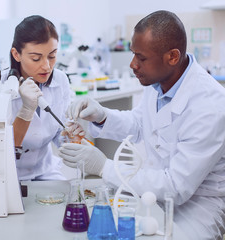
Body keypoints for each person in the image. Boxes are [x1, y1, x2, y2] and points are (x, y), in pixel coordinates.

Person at [58, 10, 225, 239]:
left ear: (173, 57)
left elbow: (175, 186)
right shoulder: (159, 82)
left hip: (197, 209)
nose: (133, 64)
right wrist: (102, 115)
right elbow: (140, 123)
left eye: (141, 57)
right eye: (133, 54)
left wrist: (103, 167)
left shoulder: (210, 105)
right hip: (152, 195)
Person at [0, 15, 74, 181]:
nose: (46, 66)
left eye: (52, 56)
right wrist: (26, 111)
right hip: (6, 174)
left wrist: (69, 136)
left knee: (66, 201)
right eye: (36, 58)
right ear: (16, 54)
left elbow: (58, 133)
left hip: (45, 170)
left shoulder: (60, 80)